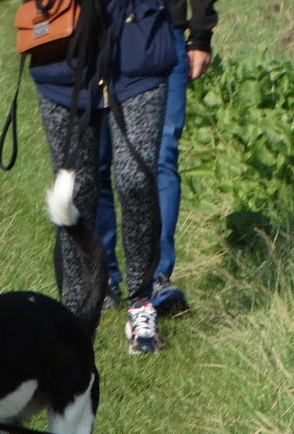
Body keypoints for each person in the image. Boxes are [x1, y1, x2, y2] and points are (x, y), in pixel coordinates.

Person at [29, 0, 177, 354]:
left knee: (135, 178)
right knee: (75, 191)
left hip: (138, 38)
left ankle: (141, 301)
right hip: (64, 45)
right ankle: (75, 315)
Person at [96, 0, 217, 323]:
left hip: (162, 30)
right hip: (94, 29)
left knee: (161, 157)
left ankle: (157, 277)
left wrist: (200, 33)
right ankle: (104, 275)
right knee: (99, 159)